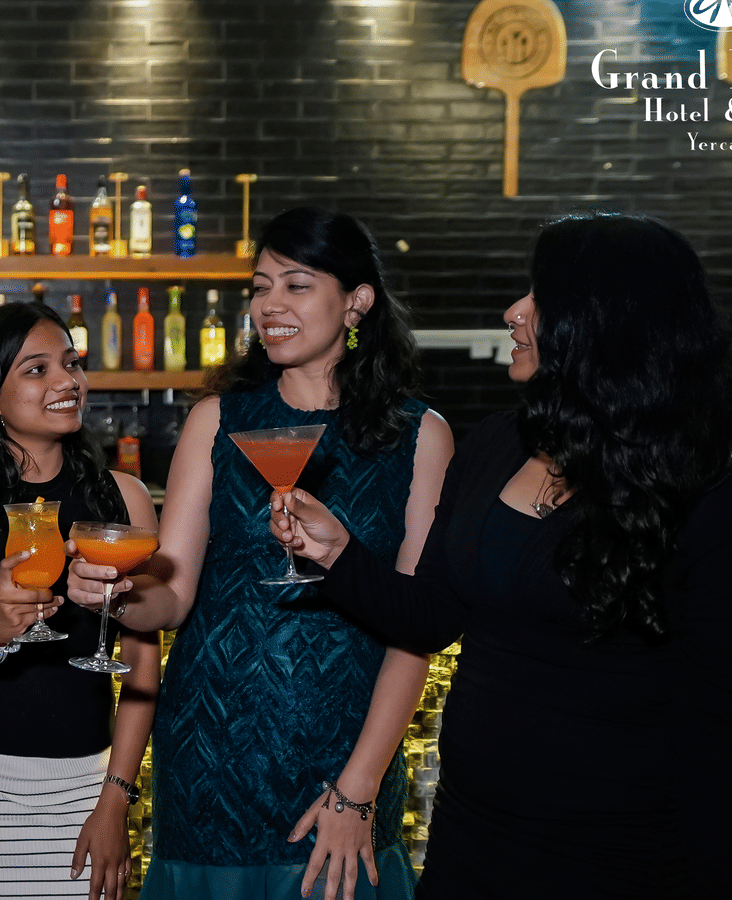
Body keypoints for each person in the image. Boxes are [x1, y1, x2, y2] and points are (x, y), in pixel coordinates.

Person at [272, 212, 732, 899]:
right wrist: (337, 556)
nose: (514, 312)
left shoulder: (719, 506)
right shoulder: (495, 445)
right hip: (472, 845)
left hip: (625, 862)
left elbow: (716, 738)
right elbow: (432, 617)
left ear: (603, 322)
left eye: (538, 297)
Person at [71, 208, 453, 900]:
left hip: (342, 765)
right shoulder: (218, 419)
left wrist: (359, 789)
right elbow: (175, 593)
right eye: (260, 286)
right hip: (211, 761)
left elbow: (416, 627)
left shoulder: (421, 437)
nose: (269, 306)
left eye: (296, 286)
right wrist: (119, 593)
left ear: (357, 301)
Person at [0, 303, 161, 900]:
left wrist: (115, 799)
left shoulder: (120, 499)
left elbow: (143, 666)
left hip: (87, 784)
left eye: (71, 364)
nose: (66, 381)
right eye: (36, 369)